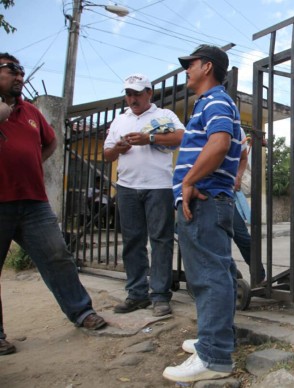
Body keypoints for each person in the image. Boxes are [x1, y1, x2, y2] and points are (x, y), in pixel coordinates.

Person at [0, 52, 107, 355]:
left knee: (57, 256)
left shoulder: (31, 111)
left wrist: (34, 160)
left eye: (22, 71)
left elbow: (51, 142)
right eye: (12, 70)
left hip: (33, 201)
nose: (20, 76)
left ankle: (82, 312)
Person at [162, 44, 242, 383]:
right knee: (214, 273)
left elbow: (219, 143)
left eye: (190, 65)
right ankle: (216, 339)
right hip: (210, 199)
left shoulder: (216, 101)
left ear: (206, 67)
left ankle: (213, 356)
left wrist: (189, 181)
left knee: (208, 277)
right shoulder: (210, 103)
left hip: (205, 200)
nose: (186, 70)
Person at [103, 73, 185, 317]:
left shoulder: (165, 116)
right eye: (128, 94)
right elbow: (107, 154)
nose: (132, 98)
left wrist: (148, 138)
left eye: (137, 93)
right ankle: (137, 294)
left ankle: (160, 295)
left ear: (149, 93)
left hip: (159, 186)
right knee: (132, 241)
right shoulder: (120, 120)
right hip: (127, 187)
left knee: (161, 240)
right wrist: (118, 148)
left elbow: (182, 137)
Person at [233, 129, 266, 284]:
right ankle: (230, 272)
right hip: (208, 192)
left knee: (243, 237)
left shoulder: (238, 133)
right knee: (216, 241)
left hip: (229, 196)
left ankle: (259, 277)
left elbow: (245, 161)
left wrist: (256, 146)